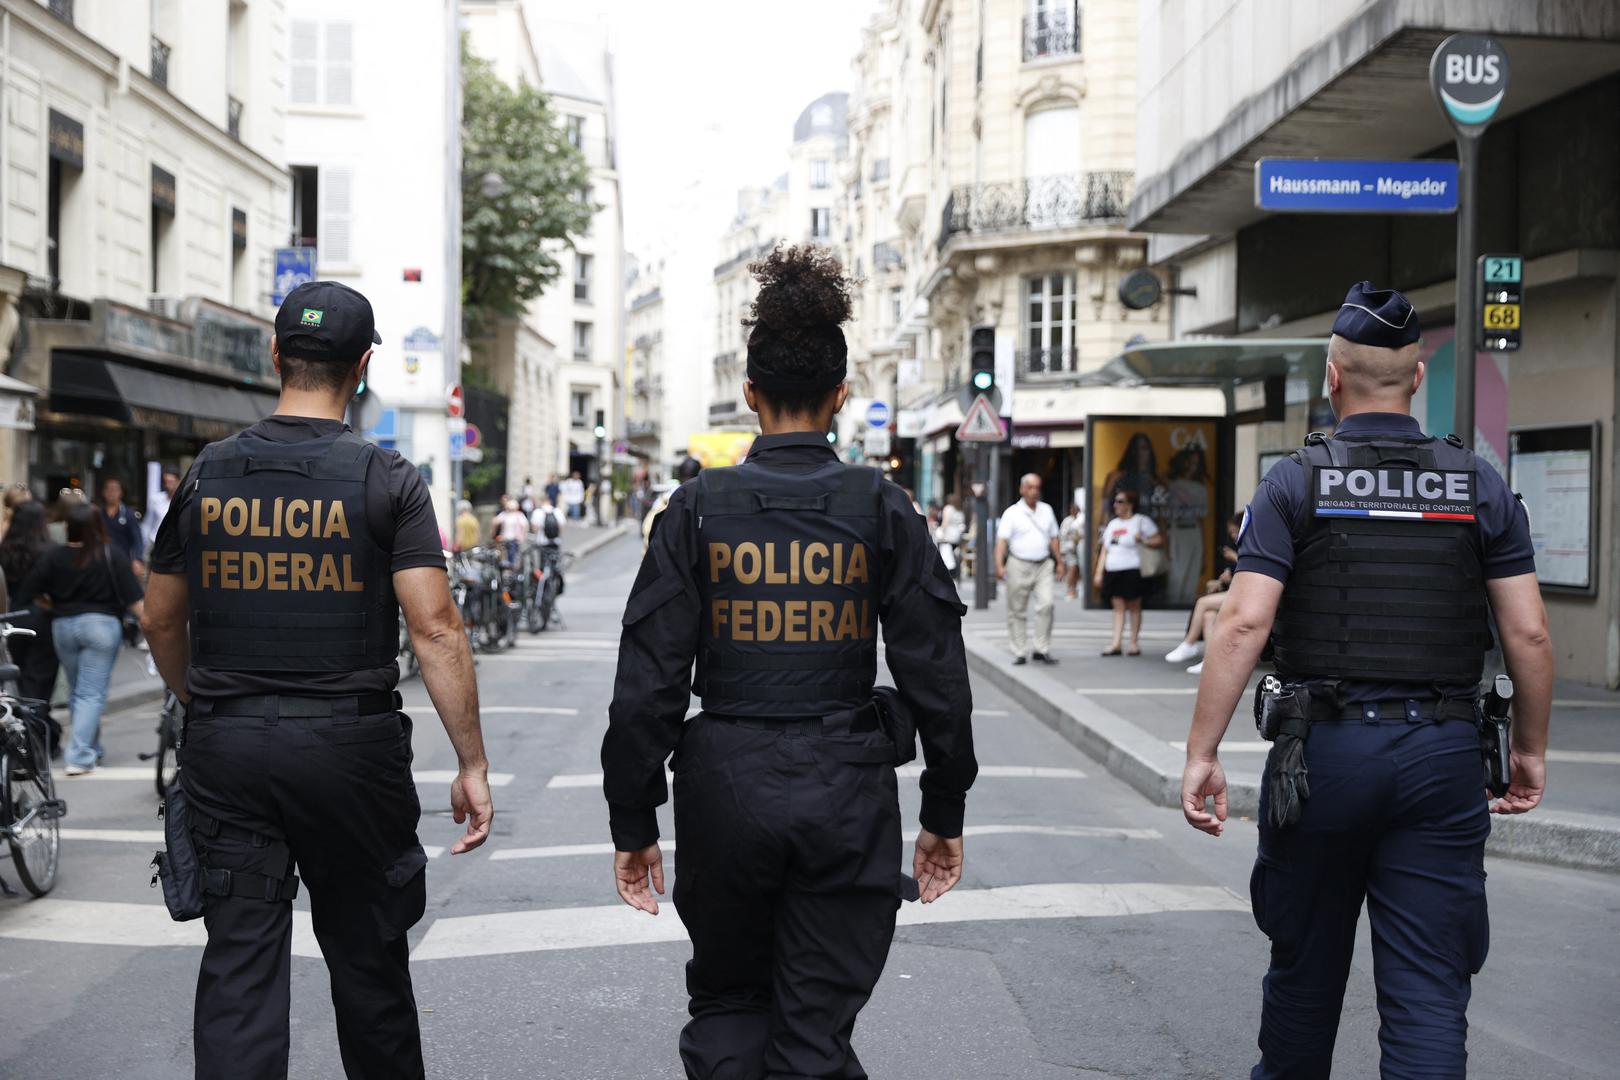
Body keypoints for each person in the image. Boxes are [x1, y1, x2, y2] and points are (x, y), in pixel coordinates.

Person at [602, 245, 977, 1079]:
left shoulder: (694, 510)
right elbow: (937, 676)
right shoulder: (885, 509)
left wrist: (634, 821)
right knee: (814, 1030)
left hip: (725, 786)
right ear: (842, 397)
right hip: (845, 787)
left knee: (732, 1008)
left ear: (749, 395)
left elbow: (648, 686)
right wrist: (943, 812)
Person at [1179, 282, 1553, 1079]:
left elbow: (1243, 623)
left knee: (1305, 975)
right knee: (1428, 993)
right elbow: (1527, 631)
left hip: (1322, 759)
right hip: (1444, 757)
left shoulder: (1294, 482)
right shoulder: (1477, 485)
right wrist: (1531, 750)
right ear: (1418, 379)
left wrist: (1202, 752)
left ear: (1331, 376)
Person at [141, 279, 493, 1080]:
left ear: (275, 355)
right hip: (349, 750)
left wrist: (201, 700)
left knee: (240, 966)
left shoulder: (207, 474)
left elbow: (161, 616)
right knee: (370, 965)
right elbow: (435, 627)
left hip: (227, 751)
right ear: (364, 367)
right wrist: (470, 761)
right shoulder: (386, 480)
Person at [16, 504, 142, 775]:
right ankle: (81, 755)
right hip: (101, 627)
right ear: (98, 526)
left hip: (63, 627)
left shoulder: (54, 556)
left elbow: (31, 592)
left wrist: (53, 604)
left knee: (79, 690)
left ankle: (92, 747)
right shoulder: (110, 554)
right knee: (90, 693)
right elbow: (134, 599)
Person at [0, 501, 63, 754]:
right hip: (42, 622)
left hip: (11, 620)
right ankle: (37, 740)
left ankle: (16, 735)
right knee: (38, 685)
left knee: (13, 682)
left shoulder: (4, 550)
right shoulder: (50, 551)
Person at [996, 473, 1063, 665]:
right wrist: (999, 565)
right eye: (1030, 487)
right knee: (1017, 609)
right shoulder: (1012, 513)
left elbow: (1054, 537)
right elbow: (1002, 542)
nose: (1034, 491)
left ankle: (1041, 648)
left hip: (1043, 563)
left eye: (1037, 487)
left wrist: (1060, 562)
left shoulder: (1046, 510)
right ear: (1022, 489)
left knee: (1047, 604)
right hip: (1018, 563)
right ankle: (1019, 650)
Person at [1092, 489, 1163, 656]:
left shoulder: (1140, 521)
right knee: (1118, 606)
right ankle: (1116, 642)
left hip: (1132, 568)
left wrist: (1143, 539)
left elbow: (1159, 539)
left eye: (1120, 501)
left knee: (1134, 605)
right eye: (1115, 501)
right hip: (1113, 569)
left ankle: (1133, 642)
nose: (1116, 504)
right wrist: (1099, 572)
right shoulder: (1113, 524)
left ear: (1130, 504)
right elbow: (1105, 549)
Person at [1165, 445, 1211, 605]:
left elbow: (1201, 519)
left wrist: (1204, 550)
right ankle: (1172, 607)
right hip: (1177, 531)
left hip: (1193, 531)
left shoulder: (1200, 487)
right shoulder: (1171, 484)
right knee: (1176, 576)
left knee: (1191, 577)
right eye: (1189, 462)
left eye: (1195, 463)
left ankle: (1185, 607)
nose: (1191, 466)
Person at [99, 476, 146, 576]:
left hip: (123, 560)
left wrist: (137, 559)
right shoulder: (97, 514)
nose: (111, 492)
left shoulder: (129, 514)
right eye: (108, 489)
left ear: (121, 492)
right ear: (103, 492)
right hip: (101, 561)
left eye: (114, 489)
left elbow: (137, 540)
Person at [143, 467, 182, 554]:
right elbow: (148, 523)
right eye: (166, 482)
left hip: (176, 545)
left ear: (178, 482)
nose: (168, 485)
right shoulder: (155, 499)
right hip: (156, 544)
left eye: (171, 482)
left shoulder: (183, 501)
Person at [1059, 501, 1085, 600]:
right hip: (1069, 548)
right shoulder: (1068, 521)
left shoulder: (1080, 520)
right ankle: (1070, 590)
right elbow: (1063, 535)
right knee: (1072, 569)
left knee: (1077, 570)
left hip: (1078, 548)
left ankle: (1074, 588)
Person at [492, 494, 528, 565]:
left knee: (508, 557)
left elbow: (494, 522)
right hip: (511, 539)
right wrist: (523, 536)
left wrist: (493, 533)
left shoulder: (506, 514)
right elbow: (525, 526)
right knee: (511, 557)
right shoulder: (518, 515)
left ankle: (509, 570)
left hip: (508, 539)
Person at [937, 493, 966, 580]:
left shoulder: (948, 508)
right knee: (953, 556)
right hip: (957, 537)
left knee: (946, 556)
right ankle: (955, 574)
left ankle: (948, 574)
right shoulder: (960, 511)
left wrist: (940, 531)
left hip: (948, 536)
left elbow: (945, 522)